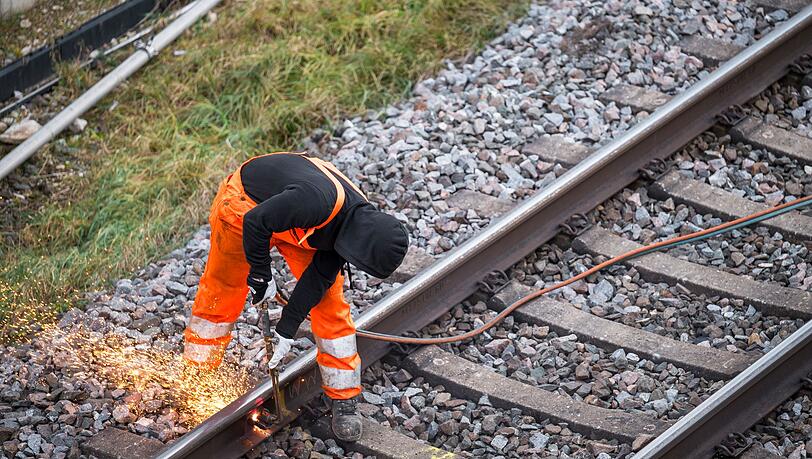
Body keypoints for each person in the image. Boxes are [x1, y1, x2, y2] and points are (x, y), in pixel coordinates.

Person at [182, 152, 409, 441]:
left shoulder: (358, 226)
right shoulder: (315, 201)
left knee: (331, 306)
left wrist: (286, 329)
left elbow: (317, 281)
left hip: (298, 220)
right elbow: (255, 222)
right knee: (223, 292)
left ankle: (344, 396)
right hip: (246, 206)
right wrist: (262, 275)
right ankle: (197, 376)